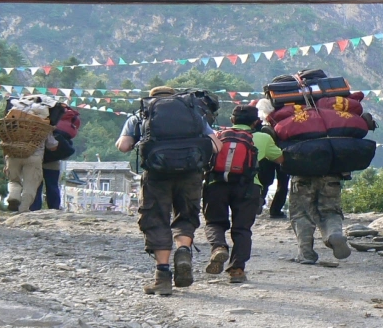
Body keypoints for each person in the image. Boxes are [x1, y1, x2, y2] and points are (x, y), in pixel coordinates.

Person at [117, 86, 220, 296]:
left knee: (155, 218)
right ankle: (183, 251)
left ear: (150, 99)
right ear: (175, 97)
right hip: (191, 173)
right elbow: (217, 145)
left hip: (157, 175)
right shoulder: (194, 114)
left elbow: (124, 146)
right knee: (186, 216)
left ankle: (162, 276)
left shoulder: (140, 115)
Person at [202, 103, 283, 283]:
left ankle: (218, 247)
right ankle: (237, 270)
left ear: (232, 120)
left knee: (214, 222)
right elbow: (280, 158)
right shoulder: (262, 137)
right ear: (256, 122)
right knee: (242, 229)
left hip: (216, 184)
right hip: (248, 187)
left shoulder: (217, 135)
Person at [4, 95, 60, 212]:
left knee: (14, 180)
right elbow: (52, 145)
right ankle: (23, 209)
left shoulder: (13, 119)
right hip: (33, 156)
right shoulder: (42, 123)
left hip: (13, 155)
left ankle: (13, 196)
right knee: (31, 184)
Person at [255, 98, 289, 218]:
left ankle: (259, 202)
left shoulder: (261, 123)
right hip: (283, 153)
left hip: (266, 154)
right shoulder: (285, 118)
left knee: (264, 180)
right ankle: (275, 210)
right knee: (283, 183)